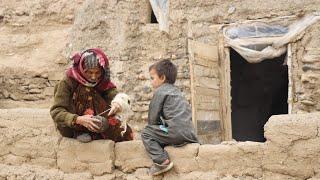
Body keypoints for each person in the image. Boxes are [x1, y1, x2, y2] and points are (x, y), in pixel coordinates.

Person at [50, 48, 133, 143]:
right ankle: (79, 132)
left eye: (97, 72)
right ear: (82, 68)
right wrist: (78, 119)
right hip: (73, 125)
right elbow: (56, 112)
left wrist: (118, 103)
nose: (94, 77)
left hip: (96, 120)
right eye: (89, 72)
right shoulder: (67, 82)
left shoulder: (102, 81)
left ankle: (95, 133)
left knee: (123, 133)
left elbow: (113, 94)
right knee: (85, 90)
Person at [141, 59, 198, 176]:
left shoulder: (160, 92)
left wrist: (159, 128)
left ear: (162, 78)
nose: (151, 82)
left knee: (146, 132)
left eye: (153, 78)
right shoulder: (178, 92)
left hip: (175, 132)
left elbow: (152, 120)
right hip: (190, 134)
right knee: (164, 128)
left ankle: (162, 161)